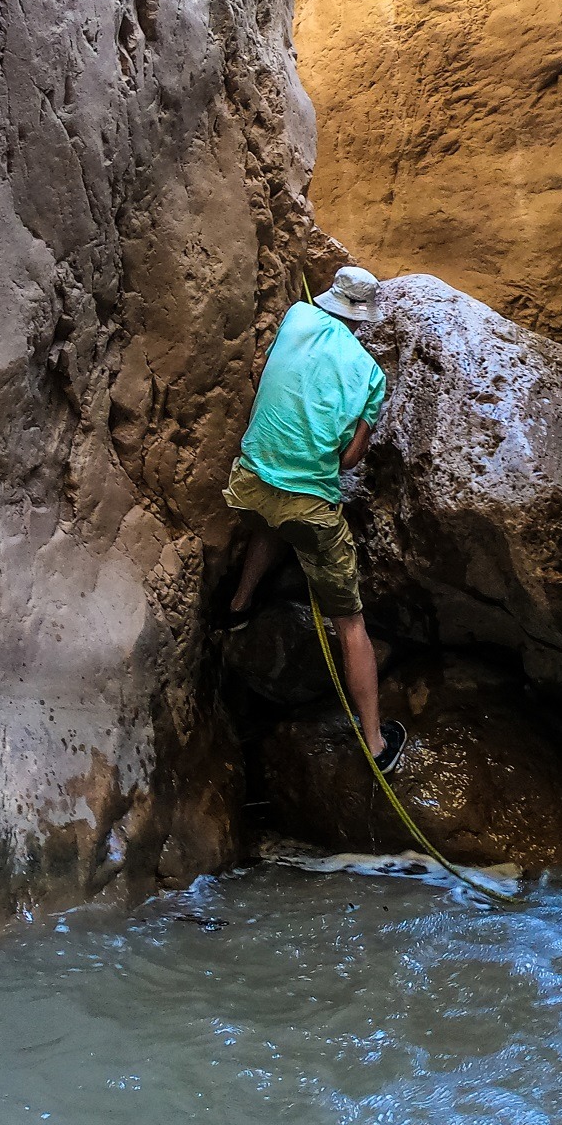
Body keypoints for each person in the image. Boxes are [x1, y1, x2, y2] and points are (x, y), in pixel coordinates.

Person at [221, 265, 407, 771]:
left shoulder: (296, 316)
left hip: (248, 487)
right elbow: (348, 461)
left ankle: (238, 606)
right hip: (310, 508)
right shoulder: (371, 376)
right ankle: (376, 744)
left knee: (271, 522)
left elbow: (272, 372)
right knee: (351, 623)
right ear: (363, 317)